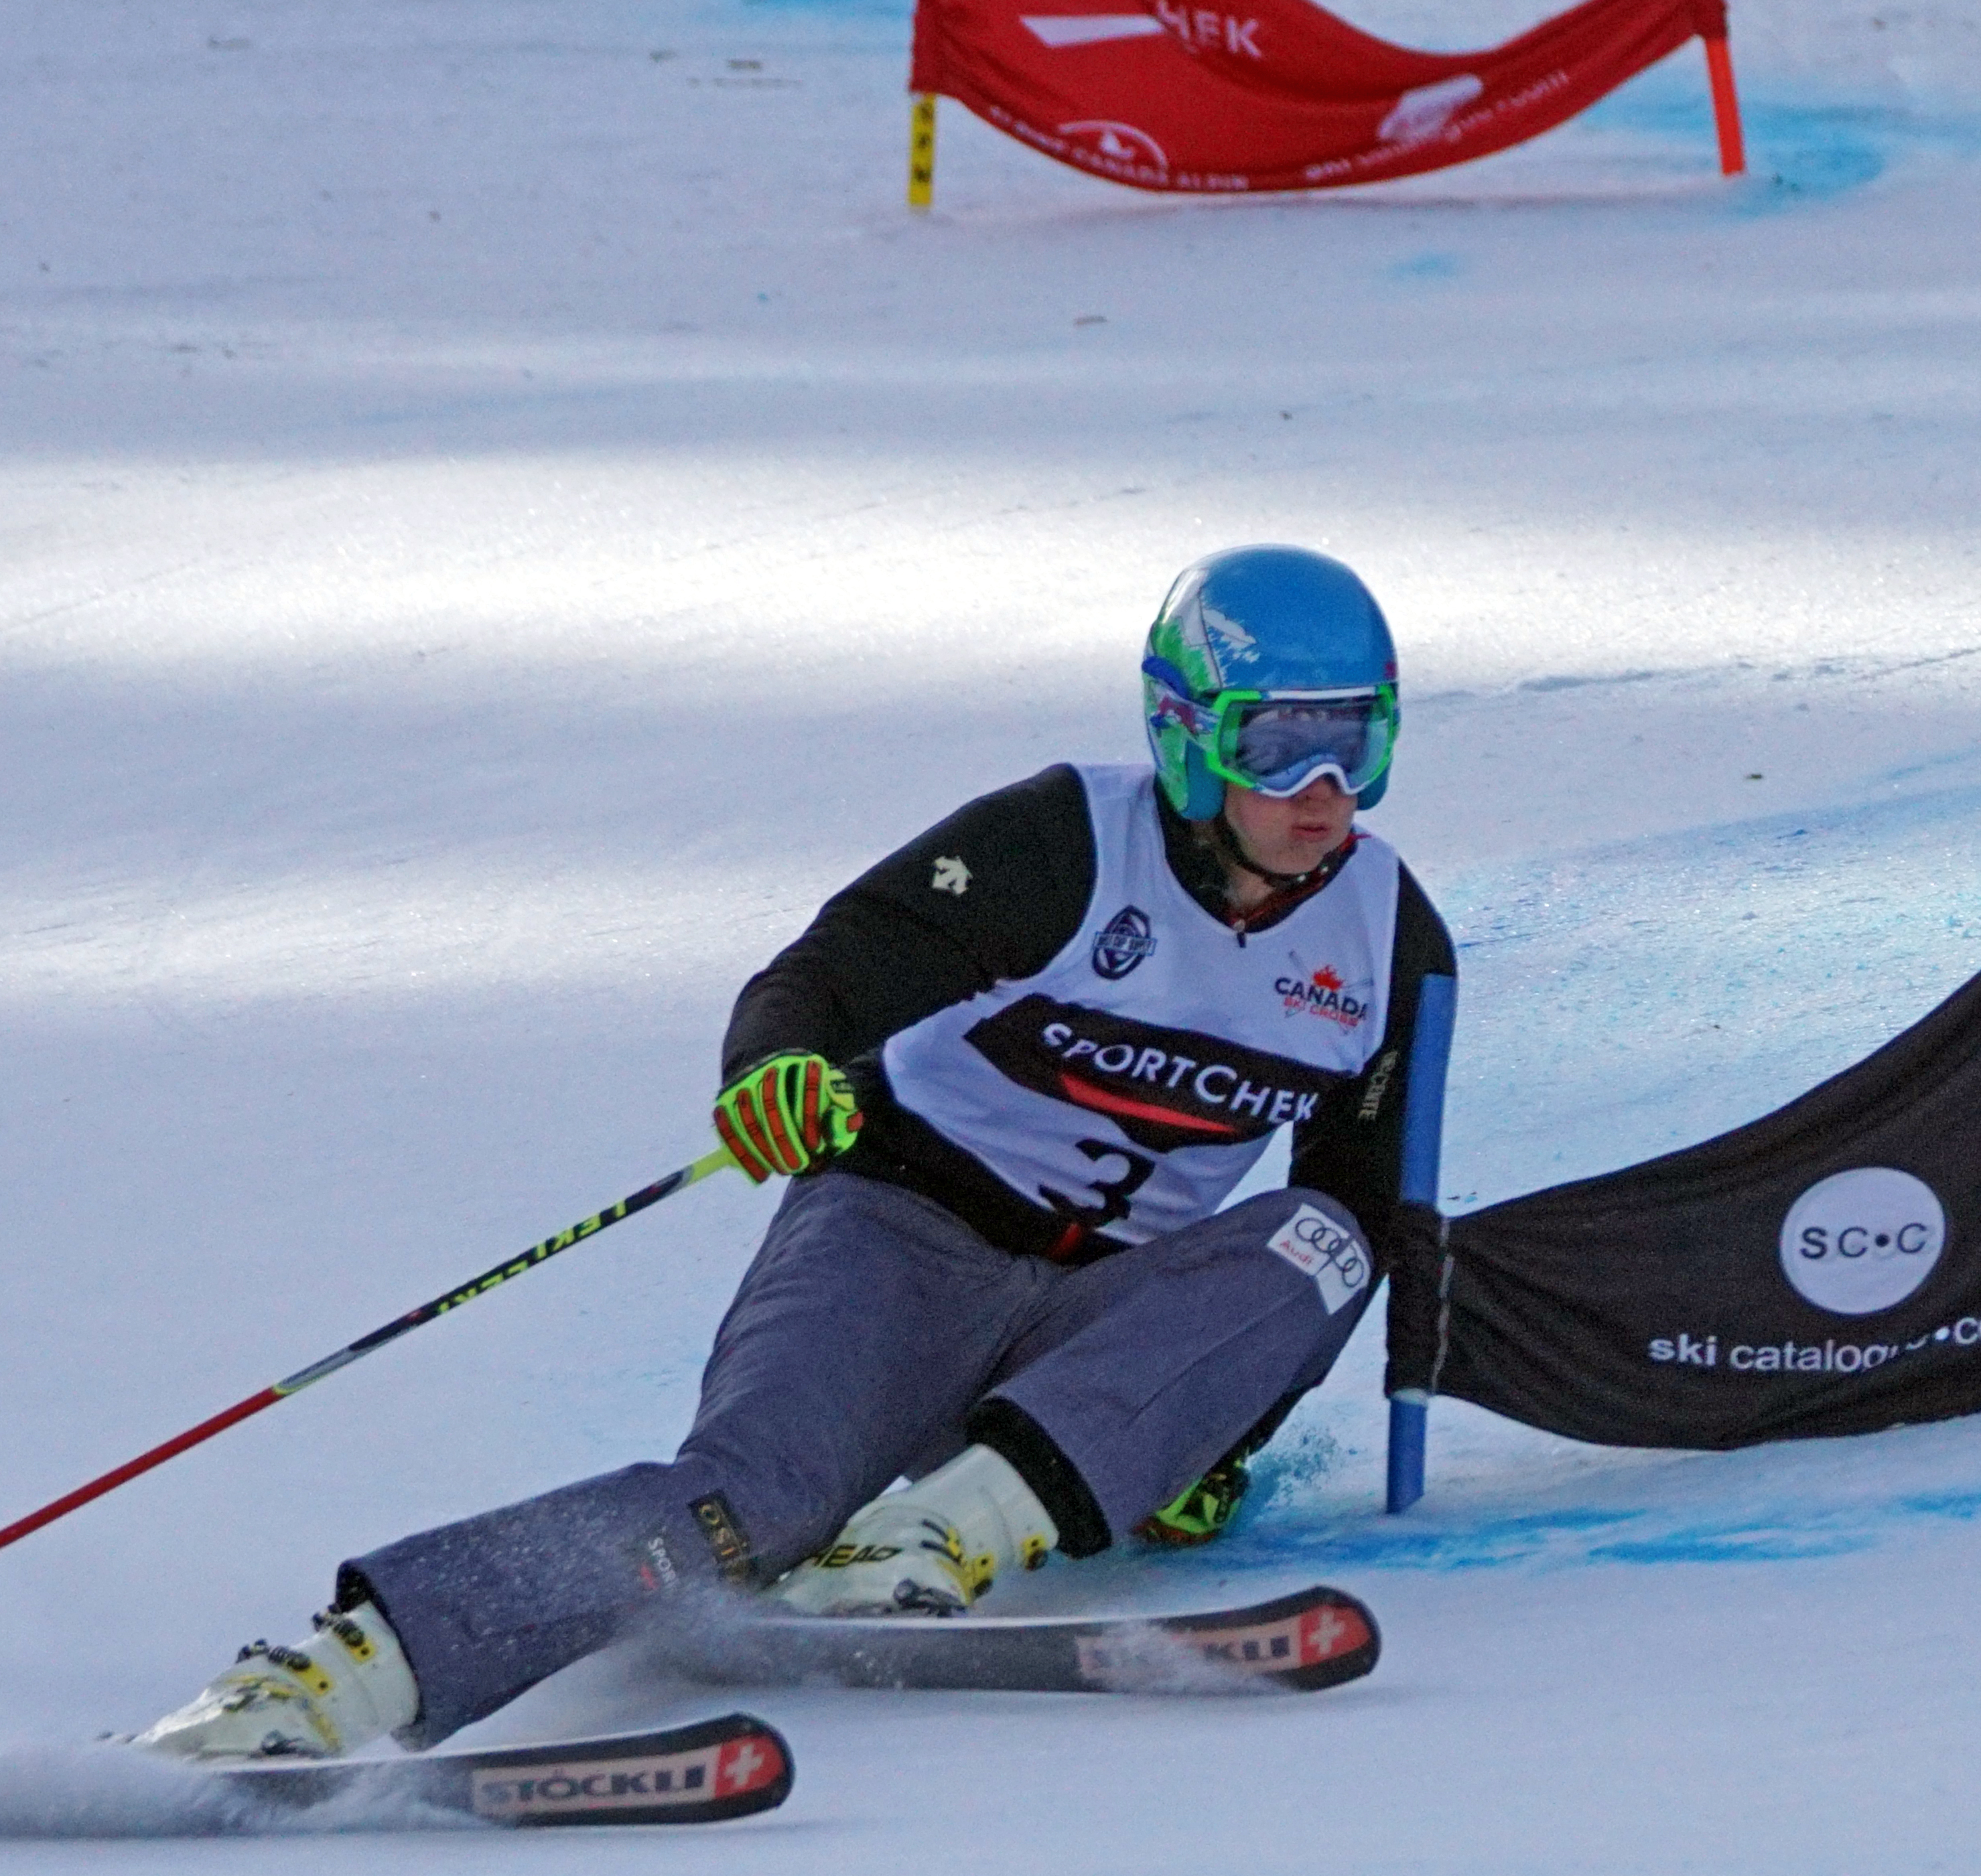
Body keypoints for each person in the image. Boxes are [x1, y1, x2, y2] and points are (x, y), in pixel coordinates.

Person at [136, 547, 1454, 1760]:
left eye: (1356, 743)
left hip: (1102, 1336)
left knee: (1327, 1234)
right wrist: (775, 1070)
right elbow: (829, 974)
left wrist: (1222, 1426)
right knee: (747, 1504)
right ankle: (328, 1684)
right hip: (902, 1242)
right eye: (1278, 746)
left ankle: (943, 1529)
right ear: (1184, 736)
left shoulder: (1390, 941)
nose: (1321, 792)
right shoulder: (1060, 842)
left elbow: (1342, 1231)